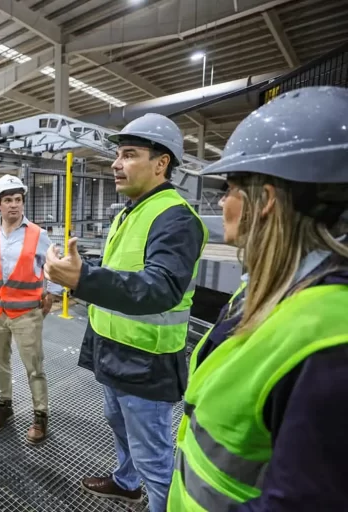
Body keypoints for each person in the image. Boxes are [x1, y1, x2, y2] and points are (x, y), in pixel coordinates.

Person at [165, 86, 348, 511]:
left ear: (264, 201)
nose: (223, 202)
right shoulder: (270, 289)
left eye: (228, 188)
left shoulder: (330, 340)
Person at [44, 113, 209, 511]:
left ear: (161, 163)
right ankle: (125, 482)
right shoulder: (128, 212)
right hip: (113, 349)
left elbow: (161, 287)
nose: (116, 164)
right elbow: (123, 274)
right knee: (120, 428)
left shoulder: (176, 218)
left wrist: (83, 279)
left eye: (129, 154)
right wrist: (82, 273)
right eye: (117, 155)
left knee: (154, 454)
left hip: (146, 361)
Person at [0, 174, 63, 445]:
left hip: (26, 313)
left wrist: (53, 293)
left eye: (18, 200)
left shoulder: (37, 234)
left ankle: (40, 414)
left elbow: (53, 265)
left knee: (34, 367)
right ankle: (4, 405)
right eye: (8, 200)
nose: (14, 205)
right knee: (0, 365)